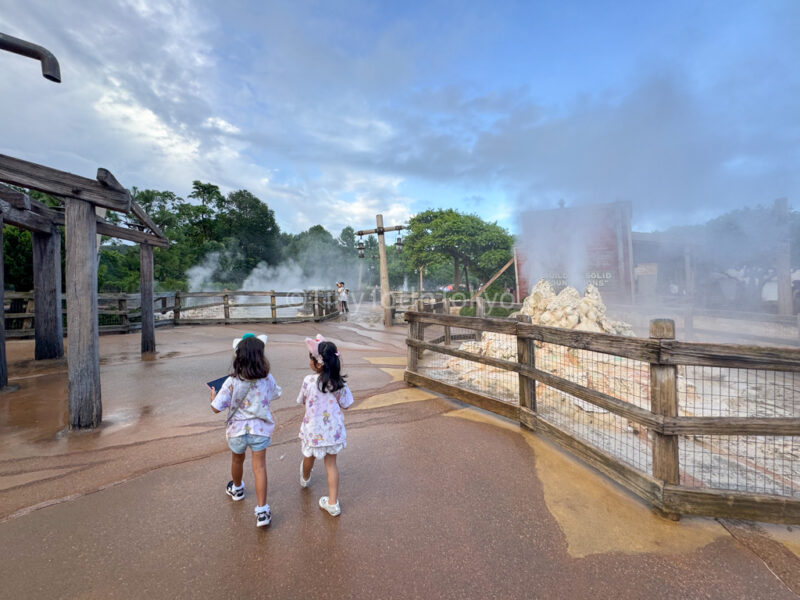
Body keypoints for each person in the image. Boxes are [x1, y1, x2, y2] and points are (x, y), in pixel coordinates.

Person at [210, 333, 281, 527]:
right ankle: (262, 511)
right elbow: (276, 393)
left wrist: (212, 397)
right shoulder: (267, 378)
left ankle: (238, 489)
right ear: (261, 357)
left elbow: (216, 407)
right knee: (259, 468)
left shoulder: (231, 382)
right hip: (260, 429)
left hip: (237, 430)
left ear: (238, 357)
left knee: (237, 460)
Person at [297, 334, 354, 516]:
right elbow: (347, 403)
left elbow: (301, 400)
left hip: (313, 431)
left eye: (311, 359)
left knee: (309, 457)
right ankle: (332, 503)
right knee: (331, 465)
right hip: (333, 433)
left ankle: (305, 478)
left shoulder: (309, 381)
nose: (309, 362)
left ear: (318, 363)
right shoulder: (339, 383)